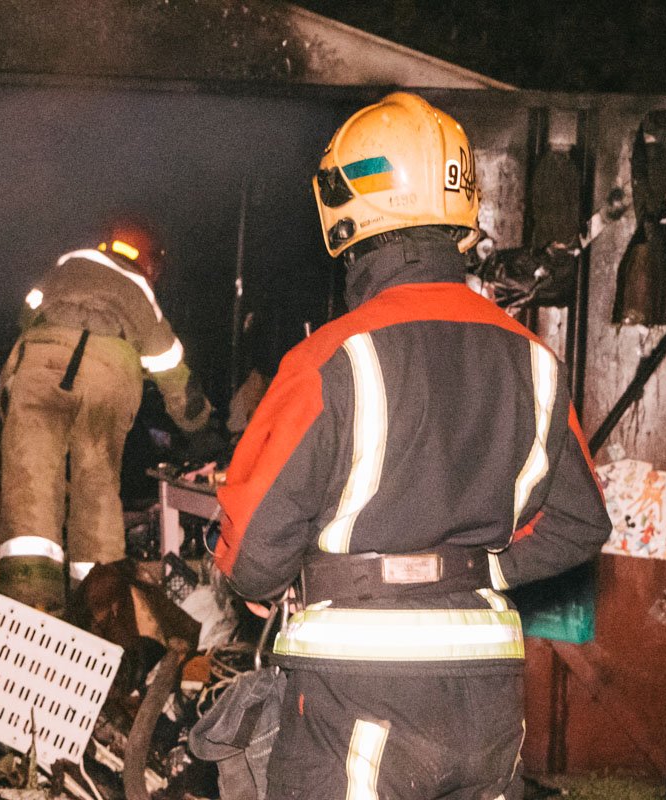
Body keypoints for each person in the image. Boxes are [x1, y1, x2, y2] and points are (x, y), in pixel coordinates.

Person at [213, 92, 611, 800]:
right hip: (488, 698)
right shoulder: (534, 361)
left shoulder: (330, 359)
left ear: (348, 205)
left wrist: (295, 583)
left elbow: (251, 559)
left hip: (355, 696)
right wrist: (479, 568)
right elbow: (580, 524)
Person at [0, 221, 212, 612]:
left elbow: (26, 314)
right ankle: (100, 611)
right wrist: (198, 425)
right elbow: (171, 367)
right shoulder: (139, 292)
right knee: (96, 488)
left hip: (41, 363)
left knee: (30, 484)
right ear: (149, 262)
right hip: (107, 377)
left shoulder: (64, 267)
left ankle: (28, 607)